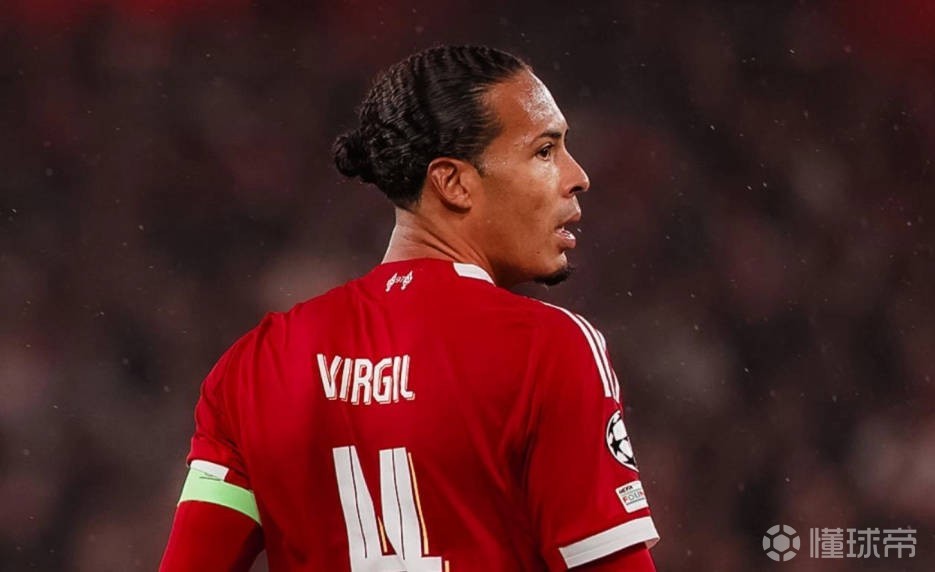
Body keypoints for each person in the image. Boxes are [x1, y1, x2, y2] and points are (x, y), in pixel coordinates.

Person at [160, 45, 659, 571]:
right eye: (544, 151)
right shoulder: (551, 350)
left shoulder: (253, 366)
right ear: (454, 183)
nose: (577, 175)